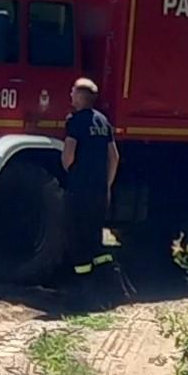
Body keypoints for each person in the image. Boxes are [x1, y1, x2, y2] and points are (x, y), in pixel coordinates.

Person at [59, 74, 116, 269]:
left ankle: (81, 276)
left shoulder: (75, 121)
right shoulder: (103, 121)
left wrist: (70, 171)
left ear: (80, 96)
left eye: (73, 91)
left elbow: (69, 154)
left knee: (77, 233)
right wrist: (107, 184)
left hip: (80, 188)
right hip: (99, 188)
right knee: (94, 233)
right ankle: (99, 275)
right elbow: (114, 156)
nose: (71, 95)